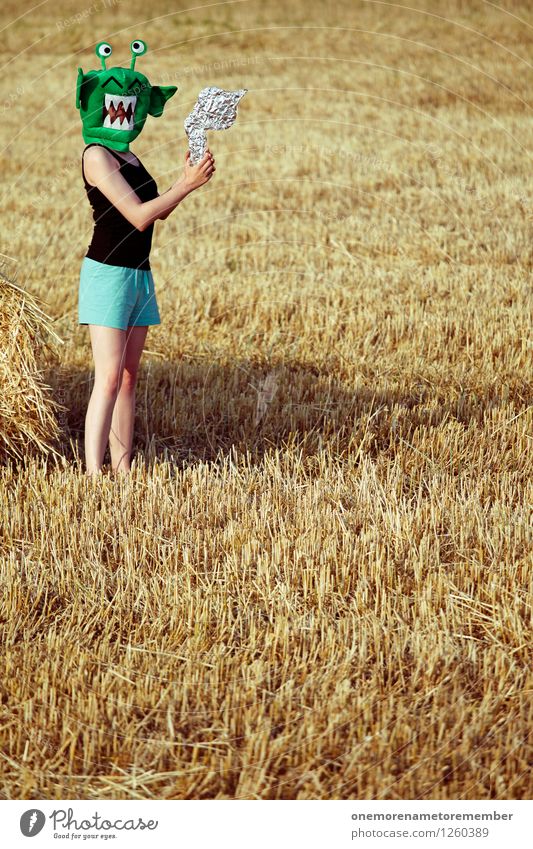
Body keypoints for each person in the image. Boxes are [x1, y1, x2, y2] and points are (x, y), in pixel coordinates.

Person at [76, 39, 215, 476]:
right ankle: (94, 476)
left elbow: (157, 213)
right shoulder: (96, 156)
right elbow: (137, 217)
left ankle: (123, 467)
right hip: (107, 275)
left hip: (138, 274)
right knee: (109, 378)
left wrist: (184, 179)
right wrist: (186, 186)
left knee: (129, 378)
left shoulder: (130, 155)